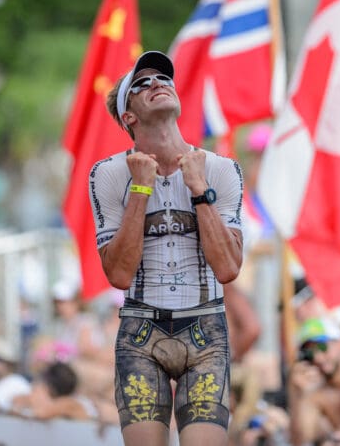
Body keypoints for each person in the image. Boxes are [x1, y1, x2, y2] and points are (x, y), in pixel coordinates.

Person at [89, 51, 243, 446]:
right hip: (142, 330)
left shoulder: (221, 169)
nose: (156, 84)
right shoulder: (108, 174)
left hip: (205, 328)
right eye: (141, 84)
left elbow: (228, 268)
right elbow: (119, 274)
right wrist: (140, 188)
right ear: (129, 116)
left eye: (162, 78)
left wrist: (198, 190)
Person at [287, 317, 340, 445]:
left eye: (322, 347)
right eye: (309, 352)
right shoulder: (315, 395)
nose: (317, 357)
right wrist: (296, 393)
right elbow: (300, 441)